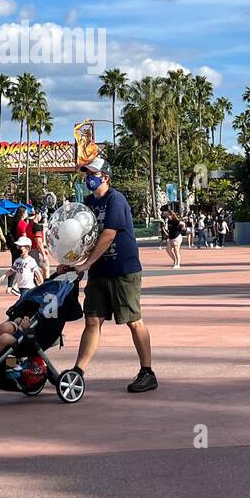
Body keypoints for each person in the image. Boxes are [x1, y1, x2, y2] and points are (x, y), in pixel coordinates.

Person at [73, 156, 156, 393]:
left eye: (93, 174)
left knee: (133, 320)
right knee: (92, 320)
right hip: (99, 270)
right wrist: (72, 262)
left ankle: (147, 371)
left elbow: (108, 234)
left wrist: (86, 264)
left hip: (122, 269)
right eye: (86, 174)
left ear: (105, 177)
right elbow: (83, 237)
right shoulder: (88, 203)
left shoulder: (115, 199)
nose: (88, 178)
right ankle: (78, 372)